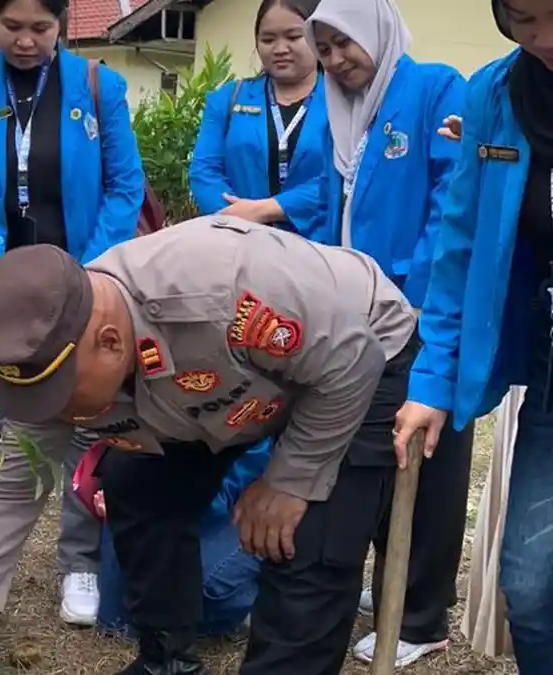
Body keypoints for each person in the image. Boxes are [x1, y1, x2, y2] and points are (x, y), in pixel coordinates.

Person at [0, 217, 419, 675]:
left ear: (110, 342)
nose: (57, 416)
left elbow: (352, 358)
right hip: (230, 386)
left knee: (302, 542)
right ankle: (169, 662)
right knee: (134, 484)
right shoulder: (50, 355)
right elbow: (16, 486)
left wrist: (289, 480)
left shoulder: (219, 290)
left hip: (355, 357)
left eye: (61, 398)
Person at [0, 0, 146, 625]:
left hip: (84, 281)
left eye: (40, 29)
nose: (25, 42)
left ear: (62, 26)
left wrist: (89, 277)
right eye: (11, 27)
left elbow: (124, 186)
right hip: (3, 289)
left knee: (87, 417)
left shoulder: (99, 87)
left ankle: (78, 560)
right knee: (19, 421)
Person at [304, 0, 473, 665]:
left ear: (375, 29)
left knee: (428, 458)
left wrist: (416, 300)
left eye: (344, 42)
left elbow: (449, 200)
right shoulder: (337, 110)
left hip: (418, 312)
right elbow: (325, 201)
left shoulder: (434, 88)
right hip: (353, 315)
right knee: (371, 449)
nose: (337, 59)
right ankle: (388, 582)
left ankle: (423, 613)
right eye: (325, 48)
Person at [394, 0, 553, 671]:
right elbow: (458, 248)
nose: (544, 40)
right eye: (523, 18)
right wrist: (431, 380)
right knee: (531, 583)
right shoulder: (496, 93)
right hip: (548, 369)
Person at [93, 440, 271, 640]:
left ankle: (263, 600)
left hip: (242, 503)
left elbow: (225, 493)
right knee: (118, 624)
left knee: (206, 589)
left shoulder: (252, 425)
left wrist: (147, 504)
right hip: (174, 491)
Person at [190, 0, 327, 234]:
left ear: (318, 37)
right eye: (268, 39)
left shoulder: (344, 103)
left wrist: (269, 209)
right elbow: (204, 171)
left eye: (294, 37)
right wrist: (235, 218)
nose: (280, 48)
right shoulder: (227, 99)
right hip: (238, 240)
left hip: (318, 246)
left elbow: (343, 178)